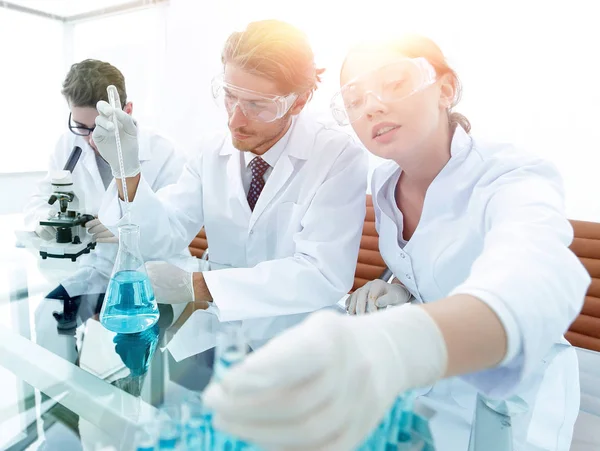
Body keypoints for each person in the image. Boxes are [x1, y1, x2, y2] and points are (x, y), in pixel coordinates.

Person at [201, 35, 591, 451]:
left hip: (514, 394)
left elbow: (537, 273)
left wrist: (402, 342)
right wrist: (403, 288)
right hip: (429, 388)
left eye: (394, 83)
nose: (371, 105)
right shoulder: (386, 182)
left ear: (445, 88)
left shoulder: (510, 174)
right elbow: (431, 261)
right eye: (354, 99)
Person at [94, 20, 368, 322]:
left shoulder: (337, 155)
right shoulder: (209, 151)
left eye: (256, 104)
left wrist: (200, 285)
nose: (235, 120)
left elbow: (322, 273)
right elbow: (163, 236)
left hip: (299, 334)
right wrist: (126, 171)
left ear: (298, 102)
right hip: (220, 329)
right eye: (230, 96)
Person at [24, 59, 183, 307]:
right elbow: (40, 198)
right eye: (80, 126)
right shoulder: (68, 144)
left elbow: (172, 231)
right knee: (46, 314)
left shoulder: (163, 152)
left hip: (147, 275)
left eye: (98, 127)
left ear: (127, 111)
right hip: (91, 269)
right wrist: (44, 221)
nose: (89, 139)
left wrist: (122, 228)